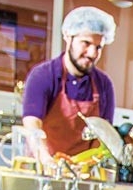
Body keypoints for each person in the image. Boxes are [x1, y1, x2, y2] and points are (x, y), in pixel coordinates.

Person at [21, 6, 117, 167]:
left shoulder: (104, 85)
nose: (92, 53)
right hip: (45, 166)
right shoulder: (43, 76)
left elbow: (104, 137)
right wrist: (46, 160)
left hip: (83, 172)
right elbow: (32, 124)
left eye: (98, 47)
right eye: (86, 43)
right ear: (68, 37)